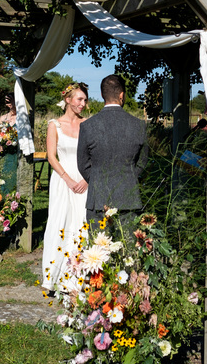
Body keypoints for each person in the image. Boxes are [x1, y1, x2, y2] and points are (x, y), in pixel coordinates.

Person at [77, 74, 149, 223]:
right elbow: (142, 162)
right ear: (122, 95)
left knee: (98, 245)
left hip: (98, 200)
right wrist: (128, 178)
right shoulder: (139, 126)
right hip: (128, 198)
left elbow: (83, 164)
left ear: (102, 94)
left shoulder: (87, 126)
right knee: (128, 244)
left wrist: (99, 180)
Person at [41, 82, 89, 291]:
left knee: (82, 222)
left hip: (84, 180)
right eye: (80, 99)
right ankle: (55, 278)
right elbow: (51, 156)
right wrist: (67, 179)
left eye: (85, 100)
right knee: (60, 223)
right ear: (68, 100)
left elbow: (94, 155)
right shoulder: (55, 125)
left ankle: (79, 279)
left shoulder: (88, 124)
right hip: (63, 180)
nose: (83, 104)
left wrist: (86, 179)